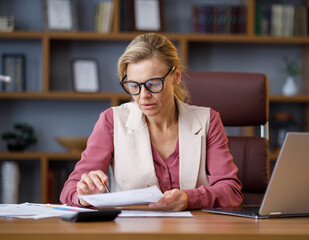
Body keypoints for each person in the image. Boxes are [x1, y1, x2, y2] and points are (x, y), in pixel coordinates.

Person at [60, 33, 243, 211]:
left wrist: (188, 199)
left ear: (176, 76)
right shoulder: (112, 121)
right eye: (133, 86)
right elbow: (70, 190)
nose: (143, 96)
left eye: (154, 84)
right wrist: (84, 195)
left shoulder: (207, 120)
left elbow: (231, 191)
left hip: (192, 231)